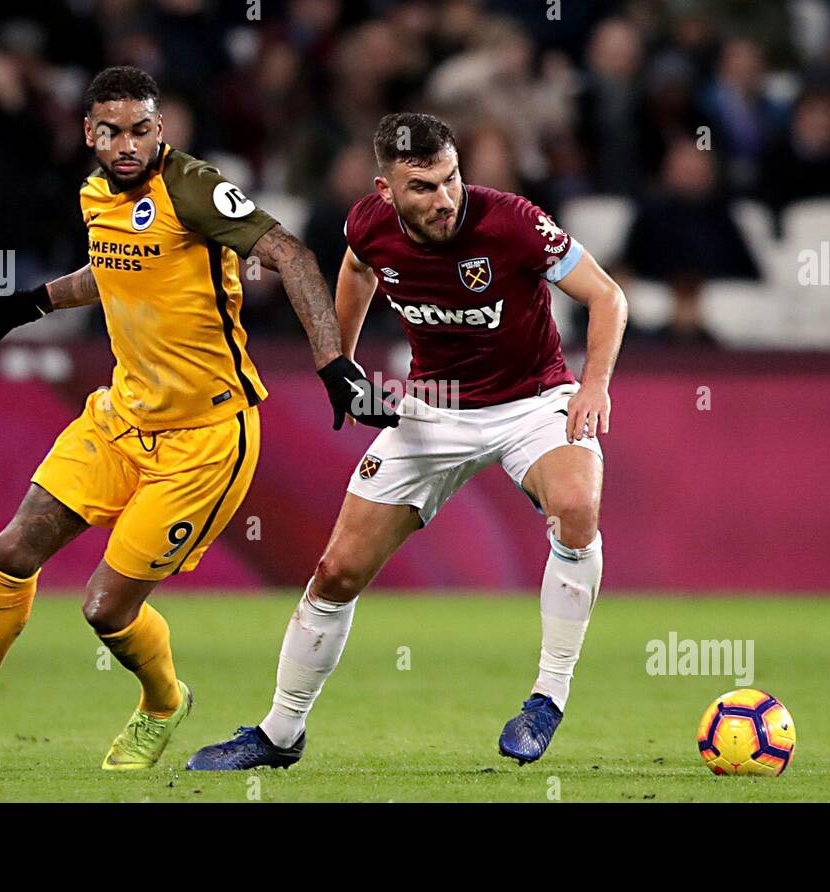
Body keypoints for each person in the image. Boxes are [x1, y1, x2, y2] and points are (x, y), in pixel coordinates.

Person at [0, 66, 396, 771]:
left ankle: (161, 702)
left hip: (206, 440)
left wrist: (334, 363)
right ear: (89, 133)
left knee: (105, 611)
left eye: (141, 130)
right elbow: (119, 270)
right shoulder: (94, 194)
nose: (127, 144)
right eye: (112, 131)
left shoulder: (194, 188)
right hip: (120, 417)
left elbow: (292, 257)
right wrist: (34, 303)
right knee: (12, 549)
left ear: (161, 129)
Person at [187, 112, 627, 770]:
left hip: (533, 401)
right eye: (422, 187)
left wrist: (594, 386)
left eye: (451, 180)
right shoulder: (365, 224)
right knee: (336, 572)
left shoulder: (512, 221)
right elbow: (358, 271)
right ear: (385, 190)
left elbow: (607, 296)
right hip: (433, 408)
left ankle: (547, 697)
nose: (444, 198)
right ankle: (280, 733)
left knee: (576, 509)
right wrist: (339, 364)